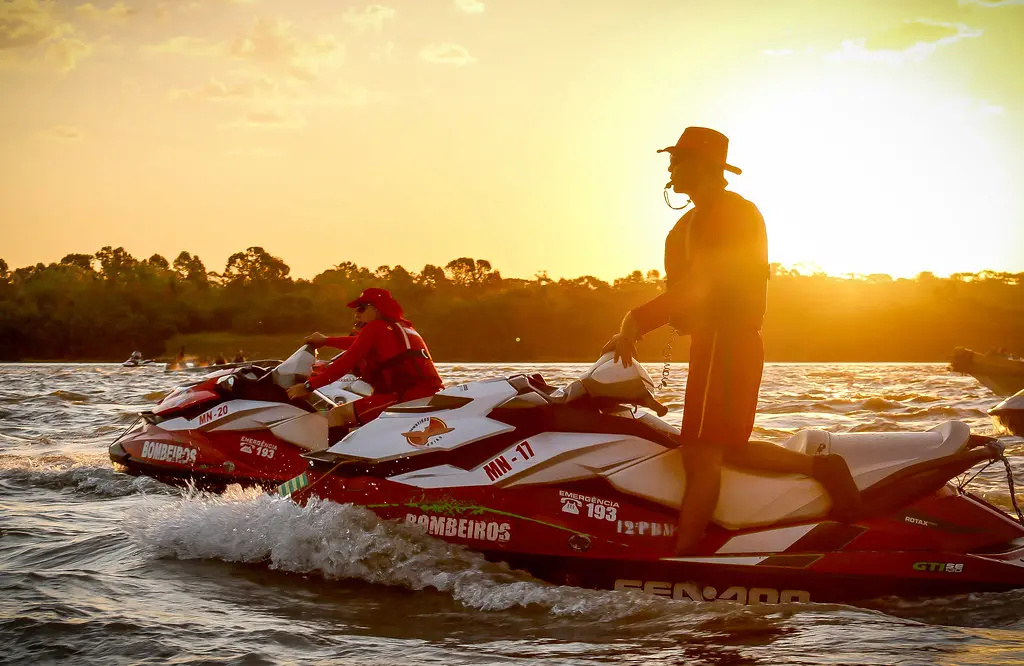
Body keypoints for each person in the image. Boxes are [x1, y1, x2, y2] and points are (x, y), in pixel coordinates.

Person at [604, 126, 862, 554]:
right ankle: (821, 468)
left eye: (677, 159)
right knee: (728, 449)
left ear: (702, 166)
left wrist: (636, 319)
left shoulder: (731, 213)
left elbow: (702, 284)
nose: (669, 167)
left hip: (728, 341)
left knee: (700, 455)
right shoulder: (692, 220)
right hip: (712, 343)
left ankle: (683, 556)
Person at [286, 288, 444, 444]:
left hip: (405, 397)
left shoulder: (375, 327)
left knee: (337, 415)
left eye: (362, 308)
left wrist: (308, 386)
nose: (357, 314)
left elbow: (346, 362)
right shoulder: (404, 328)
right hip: (430, 394)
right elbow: (358, 343)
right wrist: (326, 341)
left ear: (377, 308)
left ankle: (336, 465)